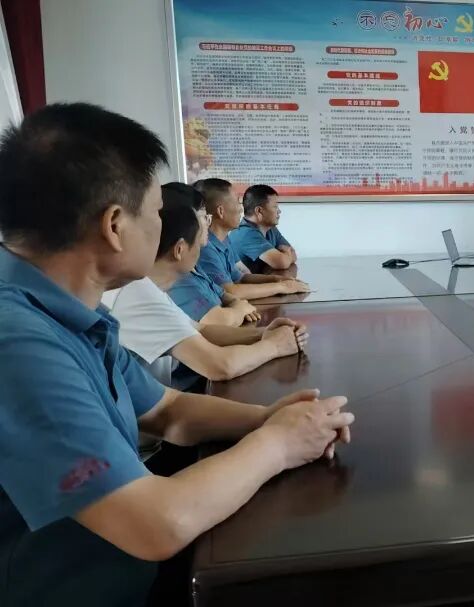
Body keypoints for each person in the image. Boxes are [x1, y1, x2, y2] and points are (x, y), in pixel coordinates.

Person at [0, 102, 354, 606]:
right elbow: (157, 524)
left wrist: (268, 417)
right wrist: (278, 444)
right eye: (156, 213)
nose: (166, 227)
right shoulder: (18, 343)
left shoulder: (71, 309)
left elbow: (168, 410)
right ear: (115, 225)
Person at [104, 190, 309, 391]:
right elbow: (219, 365)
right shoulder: (138, 294)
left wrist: (264, 332)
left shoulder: (148, 288)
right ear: (180, 249)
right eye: (200, 235)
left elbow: (201, 330)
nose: (205, 244)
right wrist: (275, 345)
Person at [194, 178, 308, 300]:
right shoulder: (206, 247)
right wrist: (281, 287)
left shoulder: (224, 239)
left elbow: (240, 278)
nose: (241, 209)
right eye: (237, 202)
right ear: (220, 211)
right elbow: (230, 291)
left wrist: (277, 279)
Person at [163, 184, 260, 326]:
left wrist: (237, 305)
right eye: (204, 217)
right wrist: (240, 309)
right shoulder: (176, 274)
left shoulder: (193, 267)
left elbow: (223, 293)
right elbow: (219, 321)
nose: (208, 224)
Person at [229, 184, 296, 274]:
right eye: (275, 207)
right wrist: (284, 255)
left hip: (263, 280)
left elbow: (293, 253)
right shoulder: (245, 233)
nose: (279, 211)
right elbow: (281, 262)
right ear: (259, 211)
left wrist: (284, 256)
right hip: (245, 283)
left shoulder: (270, 228)